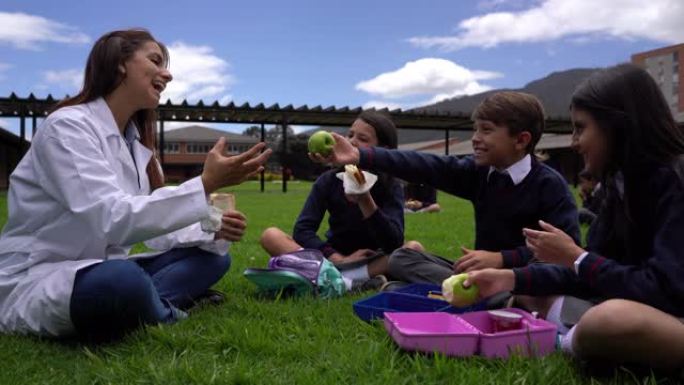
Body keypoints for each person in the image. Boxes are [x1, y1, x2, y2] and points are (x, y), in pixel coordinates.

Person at [0, 29, 271, 341]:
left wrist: (210, 230)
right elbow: (111, 218)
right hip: (40, 277)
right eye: (155, 61)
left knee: (213, 258)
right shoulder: (68, 127)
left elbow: (157, 229)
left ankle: (143, 304)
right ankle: (165, 311)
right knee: (120, 281)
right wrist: (205, 183)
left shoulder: (137, 148)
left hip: (99, 268)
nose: (167, 74)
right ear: (120, 63)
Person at [466, 64, 684, 371]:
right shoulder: (618, 187)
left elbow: (666, 291)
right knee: (531, 292)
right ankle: (573, 333)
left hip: (666, 316)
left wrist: (577, 258)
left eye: (581, 128)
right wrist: (510, 278)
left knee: (608, 320)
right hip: (631, 306)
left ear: (616, 127)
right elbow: (593, 273)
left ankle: (563, 342)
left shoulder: (674, 182)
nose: (574, 142)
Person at [313, 92, 579, 286]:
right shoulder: (479, 174)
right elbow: (423, 165)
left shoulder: (549, 186)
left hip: (524, 277)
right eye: (476, 130)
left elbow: (567, 254)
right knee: (403, 257)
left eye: (486, 130)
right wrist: (361, 155)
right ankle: (475, 290)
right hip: (476, 273)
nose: (475, 139)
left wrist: (501, 259)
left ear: (521, 140)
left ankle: (499, 294)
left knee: (543, 281)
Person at [260, 111, 404, 291]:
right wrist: (337, 258)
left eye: (363, 138)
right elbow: (303, 230)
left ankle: (332, 279)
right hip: (330, 258)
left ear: (383, 149)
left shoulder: (391, 186)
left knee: (413, 249)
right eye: (350, 134)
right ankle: (352, 281)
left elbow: (393, 243)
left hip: (372, 259)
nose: (351, 141)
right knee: (271, 236)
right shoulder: (329, 180)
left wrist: (364, 199)